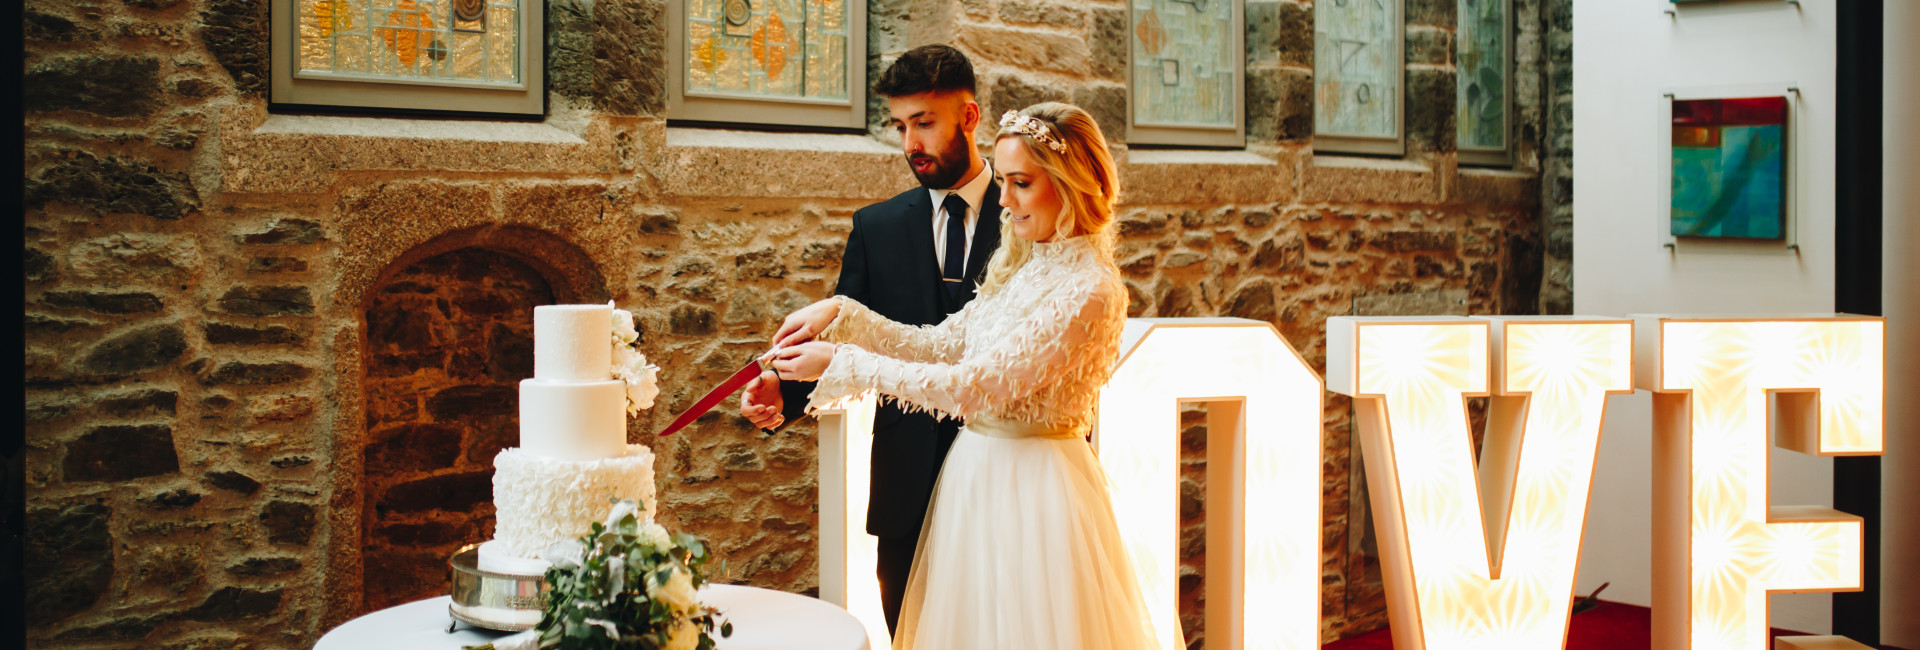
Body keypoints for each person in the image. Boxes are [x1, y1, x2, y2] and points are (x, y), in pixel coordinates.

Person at [765, 103, 1179, 650]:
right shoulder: (1028, 265)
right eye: (1003, 182)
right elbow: (940, 344)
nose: (1003, 200)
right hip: (973, 478)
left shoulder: (1091, 289)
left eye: (1021, 183)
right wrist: (843, 314)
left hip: (1034, 492)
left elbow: (973, 385)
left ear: (1071, 183)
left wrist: (842, 365)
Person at [736, 44, 1002, 634]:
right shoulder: (876, 228)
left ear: (969, 117)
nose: (910, 144)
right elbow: (846, 332)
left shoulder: (1029, 213)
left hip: (1002, 477)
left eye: (925, 123)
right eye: (900, 126)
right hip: (906, 485)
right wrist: (784, 394)